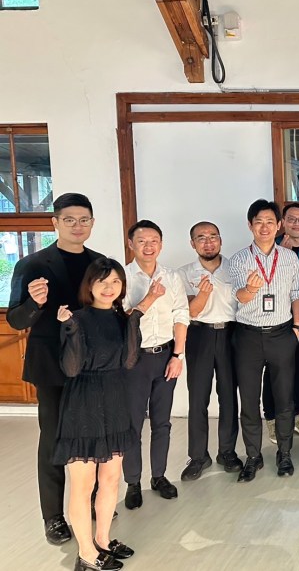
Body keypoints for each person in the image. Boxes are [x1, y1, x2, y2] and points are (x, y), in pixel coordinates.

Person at [7, 192, 103, 546]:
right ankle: (53, 517)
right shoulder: (32, 265)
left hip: (92, 365)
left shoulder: (99, 263)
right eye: (69, 220)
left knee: (92, 437)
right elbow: (16, 320)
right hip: (50, 364)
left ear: (92, 223)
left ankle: (90, 502)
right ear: (55, 222)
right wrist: (35, 303)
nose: (77, 226)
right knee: (53, 440)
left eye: (84, 220)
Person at [55, 258, 141, 571]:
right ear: (89, 285)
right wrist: (69, 329)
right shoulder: (76, 318)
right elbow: (71, 368)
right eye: (102, 281)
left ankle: (103, 540)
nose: (109, 288)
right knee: (83, 484)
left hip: (115, 400)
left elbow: (129, 361)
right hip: (83, 404)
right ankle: (86, 553)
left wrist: (134, 319)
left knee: (111, 477)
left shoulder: (120, 318)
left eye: (116, 281)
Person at [229, 199, 299, 481]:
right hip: (248, 336)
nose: (264, 227)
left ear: (278, 225)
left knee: (284, 399)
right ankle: (253, 456)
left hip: (282, 334)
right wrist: (250, 289)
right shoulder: (239, 259)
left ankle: (285, 454)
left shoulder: (289, 258)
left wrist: (297, 327)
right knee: (249, 401)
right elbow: (239, 296)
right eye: (258, 222)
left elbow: (296, 293)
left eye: (270, 222)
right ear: (250, 225)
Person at [122, 220, 190, 510]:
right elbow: (121, 319)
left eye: (154, 241)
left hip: (165, 356)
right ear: (131, 244)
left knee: (162, 421)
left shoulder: (171, 277)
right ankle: (133, 482)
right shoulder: (122, 277)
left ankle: (159, 476)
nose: (148, 246)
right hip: (133, 359)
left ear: (161, 244)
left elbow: (181, 315)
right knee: (133, 424)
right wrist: (149, 298)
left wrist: (178, 356)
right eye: (142, 241)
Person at [178, 222, 242, 481]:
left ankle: (227, 452)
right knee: (198, 397)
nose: (208, 242)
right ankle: (198, 456)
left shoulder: (235, 268)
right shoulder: (184, 273)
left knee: (228, 395)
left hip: (230, 333)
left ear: (221, 240)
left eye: (213, 236)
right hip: (199, 335)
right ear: (192, 243)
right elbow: (188, 311)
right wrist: (202, 295)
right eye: (201, 238)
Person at [264, 203, 299, 444]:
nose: (297, 223)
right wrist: (279, 258)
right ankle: (272, 417)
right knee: (274, 370)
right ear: (282, 222)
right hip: (275, 323)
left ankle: (298, 414)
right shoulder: (269, 248)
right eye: (292, 219)